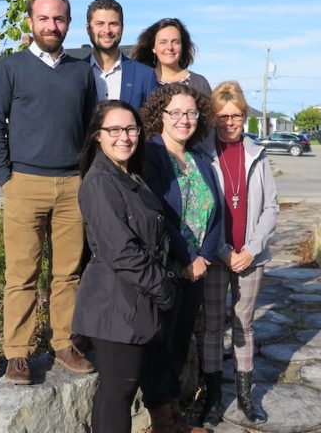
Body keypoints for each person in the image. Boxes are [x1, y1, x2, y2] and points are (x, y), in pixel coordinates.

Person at [0, 0, 97, 385]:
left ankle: (64, 343)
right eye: (44, 18)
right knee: (22, 275)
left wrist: (86, 176)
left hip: (71, 185)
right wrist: (5, 178)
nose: (52, 25)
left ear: (68, 22)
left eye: (59, 18)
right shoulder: (11, 67)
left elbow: (90, 129)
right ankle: (18, 354)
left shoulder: (81, 70)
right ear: (30, 22)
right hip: (24, 184)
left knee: (67, 275)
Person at [73, 100, 175, 433]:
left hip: (134, 299)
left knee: (117, 392)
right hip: (115, 304)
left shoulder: (128, 173)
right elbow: (121, 251)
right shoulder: (100, 182)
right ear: (98, 136)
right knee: (119, 393)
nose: (124, 137)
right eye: (114, 130)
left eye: (131, 129)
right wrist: (164, 288)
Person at [140, 83, 221, 433]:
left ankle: (175, 414)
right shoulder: (150, 155)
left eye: (191, 112)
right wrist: (187, 257)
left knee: (179, 341)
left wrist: (204, 256)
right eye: (176, 112)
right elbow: (157, 214)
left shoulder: (200, 160)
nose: (184, 120)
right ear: (161, 115)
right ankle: (162, 419)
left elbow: (216, 214)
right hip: (166, 269)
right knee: (159, 343)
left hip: (196, 271)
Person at [197, 81, 279, 426]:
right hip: (217, 256)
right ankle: (214, 396)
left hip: (250, 257)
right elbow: (201, 210)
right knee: (213, 326)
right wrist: (225, 251)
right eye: (223, 116)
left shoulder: (257, 154)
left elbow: (271, 207)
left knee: (244, 323)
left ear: (245, 116)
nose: (230, 122)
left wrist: (251, 249)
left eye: (236, 115)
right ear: (214, 118)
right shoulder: (202, 154)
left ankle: (246, 395)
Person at [84, 0, 157, 110]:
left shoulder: (145, 76)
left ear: (122, 28)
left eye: (113, 24)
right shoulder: (75, 74)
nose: (107, 30)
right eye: (100, 24)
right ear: (88, 29)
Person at [131, 18, 212, 96]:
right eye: (163, 42)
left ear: (182, 46)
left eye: (175, 42)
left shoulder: (200, 83)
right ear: (153, 48)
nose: (170, 47)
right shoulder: (142, 82)